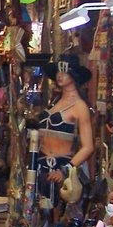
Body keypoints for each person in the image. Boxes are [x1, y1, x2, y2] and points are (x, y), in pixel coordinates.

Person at [36, 53, 94, 213]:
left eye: (64, 71)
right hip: (40, 165)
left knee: (55, 215)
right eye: (58, 72)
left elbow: (88, 146)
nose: (59, 75)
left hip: (61, 167)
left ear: (73, 74)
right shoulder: (54, 102)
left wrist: (66, 169)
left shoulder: (79, 106)